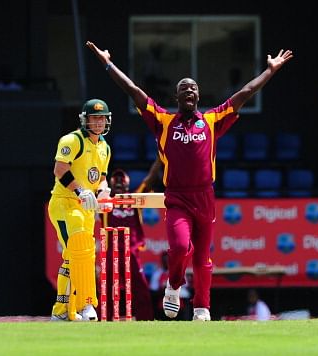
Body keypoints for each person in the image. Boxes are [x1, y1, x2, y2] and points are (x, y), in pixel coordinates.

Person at [87, 40, 293, 321]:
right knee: (181, 247)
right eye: (184, 89)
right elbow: (133, 91)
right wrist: (107, 63)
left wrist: (270, 71)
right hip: (177, 198)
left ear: (198, 96)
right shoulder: (162, 120)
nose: (189, 91)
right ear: (176, 97)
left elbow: (245, 93)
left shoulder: (211, 120)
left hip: (205, 196)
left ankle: (202, 308)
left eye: (193, 88)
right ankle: (173, 285)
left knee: (203, 259)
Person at [48, 98, 113, 321]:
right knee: (81, 252)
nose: (98, 123)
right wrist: (80, 191)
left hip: (86, 209)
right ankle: (87, 305)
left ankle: (62, 311)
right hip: (65, 203)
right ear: (85, 120)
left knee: (74, 257)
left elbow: (101, 177)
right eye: (94, 118)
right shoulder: (72, 140)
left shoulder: (104, 147)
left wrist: (103, 190)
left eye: (102, 118)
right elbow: (60, 168)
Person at [100, 168, 157, 321]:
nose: (119, 184)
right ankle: (103, 320)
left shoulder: (135, 199)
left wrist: (160, 160)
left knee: (141, 289)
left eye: (122, 181)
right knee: (107, 290)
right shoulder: (105, 200)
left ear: (127, 185)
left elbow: (149, 180)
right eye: (116, 181)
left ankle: (146, 321)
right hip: (112, 254)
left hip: (132, 253)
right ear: (111, 185)